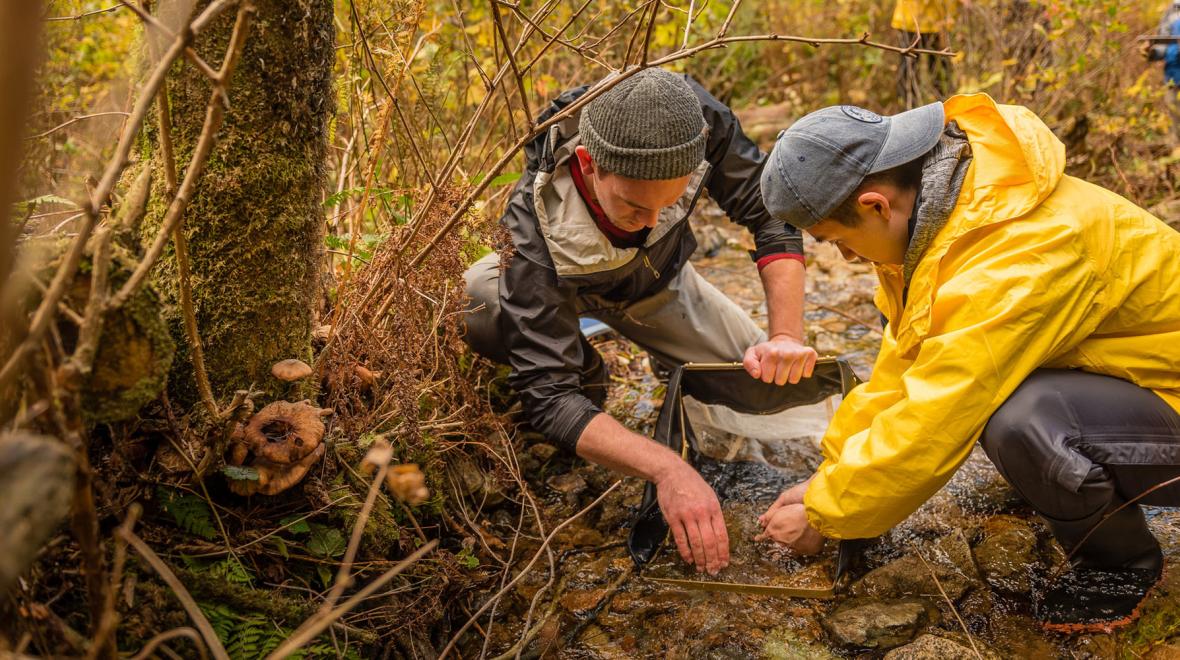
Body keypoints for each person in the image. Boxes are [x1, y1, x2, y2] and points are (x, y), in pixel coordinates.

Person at [756, 94, 1180, 632]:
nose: (849, 258)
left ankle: (1119, 567)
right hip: (1146, 385)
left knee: (1022, 420)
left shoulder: (1019, 253)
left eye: (839, 242)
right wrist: (828, 476)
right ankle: (1075, 491)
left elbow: (939, 412)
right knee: (1006, 397)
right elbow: (903, 371)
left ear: (876, 205)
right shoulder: (946, 224)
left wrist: (826, 515)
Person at [462, 67, 818, 576]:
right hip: (562, 296)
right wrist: (667, 468)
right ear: (589, 164)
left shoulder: (693, 122)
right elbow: (548, 397)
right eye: (634, 207)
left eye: (667, 204)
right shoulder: (534, 219)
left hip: (661, 286)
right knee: (476, 300)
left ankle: (670, 359)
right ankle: (588, 370)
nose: (651, 223)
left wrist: (786, 336)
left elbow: (770, 213)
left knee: (769, 391)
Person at [892, 0, 957, 108]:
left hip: (940, 21)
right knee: (908, 71)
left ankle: (946, 107)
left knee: (941, 71)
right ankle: (907, 108)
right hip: (910, 20)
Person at [1144, 1, 1180, 145]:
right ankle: (1175, 149)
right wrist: (1150, 52)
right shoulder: (1171, 12)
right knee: (1173, 113)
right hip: (1173, 74)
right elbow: (1162, 46)